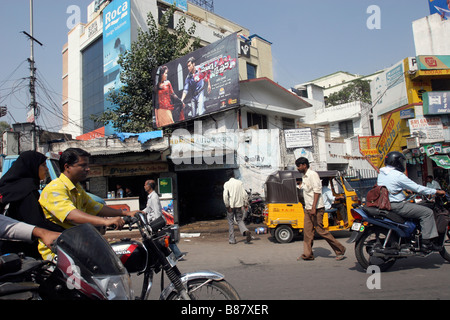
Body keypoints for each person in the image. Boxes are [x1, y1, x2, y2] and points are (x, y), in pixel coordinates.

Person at [38, 148, 141, 260]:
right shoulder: (55, 188)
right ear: (67, 167)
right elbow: (71, 215)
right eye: (83, 165)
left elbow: (96, 207)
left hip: (74, 245)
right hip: (57, 253)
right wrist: (106, 221)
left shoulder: (77, 188)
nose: (87, 169)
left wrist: (126, 213)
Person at [0, 151, 65, 258]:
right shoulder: (26, 190)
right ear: (32, 166)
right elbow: (35, 221)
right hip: (21, 250)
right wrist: (64, 231)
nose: (47, 169)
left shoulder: (11, 187)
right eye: (43, 165)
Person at [378, 151, 446, 252]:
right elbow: (417, 188)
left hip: (387, 204)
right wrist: (436, 191)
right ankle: (426, 243)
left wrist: (404, 189)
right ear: (396, 162)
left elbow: (390, 187)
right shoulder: (397, 175)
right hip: (397, 205)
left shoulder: (382, 173)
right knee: (427, 213)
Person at [295, 157, 346, 261]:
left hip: (316, 208)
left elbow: (317, 192)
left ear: (304, 165)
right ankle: (307, 254)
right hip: (308, 208)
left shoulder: (313, 175)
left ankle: (340, 250)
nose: (297, 168)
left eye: (299, 166)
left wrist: (313, 208)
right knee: (307, 232)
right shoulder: (304, 176)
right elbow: (307, 191)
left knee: (321, 231)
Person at [143, 179, 185, 260]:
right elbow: (149, 209)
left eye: (145, 185)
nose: (144, 187)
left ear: (150, 186)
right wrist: (141, 211)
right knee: (163, 237)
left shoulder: (154, 197)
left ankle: (176, 254)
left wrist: (157, 224)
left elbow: (157, 211)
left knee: (162, 237)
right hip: (153, 222)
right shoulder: (150, 196)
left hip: (155, 223)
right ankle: (176, 254)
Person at [223, 171, 252, 244]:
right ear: (233, 175)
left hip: (231, 206)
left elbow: (225, 196)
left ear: (228, 177)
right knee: (239, 220)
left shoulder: (227, 184)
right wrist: (245, 204)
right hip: (239, 205)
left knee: (231, 222)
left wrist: (227, 205)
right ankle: (245, 230)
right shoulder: (239, 183)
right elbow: (245, 194)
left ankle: (232, 240)